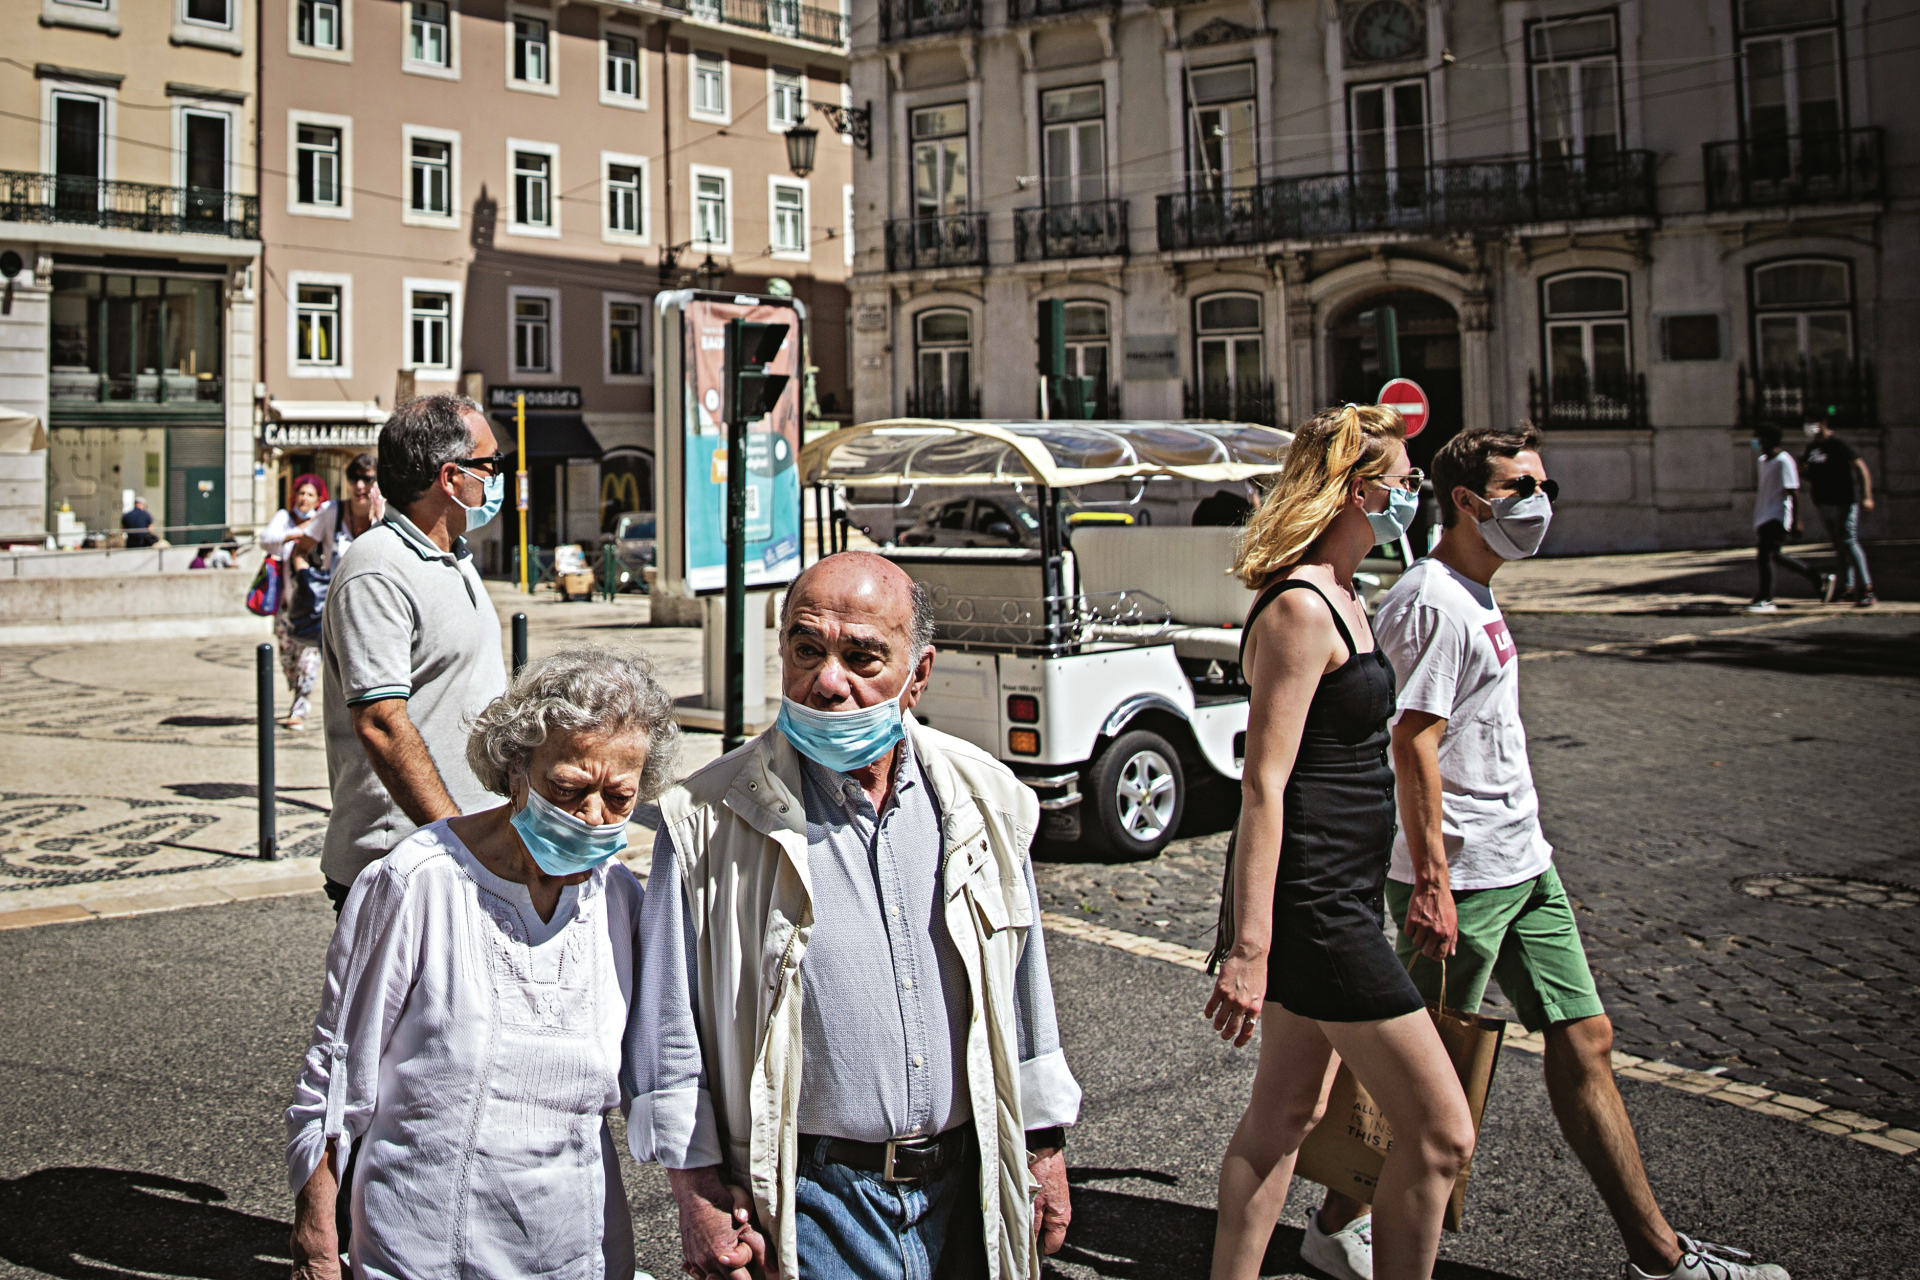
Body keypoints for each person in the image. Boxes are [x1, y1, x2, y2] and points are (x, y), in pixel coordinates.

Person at [1301, 424, 1789, 1280]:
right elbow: (1412, 743)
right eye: (1522, 487)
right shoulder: (1431, 599)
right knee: (1422, 1078)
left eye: (1544, 487)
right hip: (1463, 874)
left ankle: (1660, 1260)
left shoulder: (1475, 590)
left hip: (1524, 860)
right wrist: (1434, 886)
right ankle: (1338, 1220)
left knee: (1586, 1036)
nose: (1541, 504)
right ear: (1467, 500)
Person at [627, 550, 1081, 1280]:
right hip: (811, 1205)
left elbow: (1023, 993)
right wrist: (697, 1191)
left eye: (863, 657)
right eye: (807, 650)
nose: (829, 683)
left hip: (968, 1188)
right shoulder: (703, 819)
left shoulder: (987, 798)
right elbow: (667, 1034)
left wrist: (1044, 1144)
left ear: (919, 673)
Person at [286, 645, 679, 1280]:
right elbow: (335, 1078)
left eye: (619, 798)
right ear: (516, 767)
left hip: (576, 1247)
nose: (592, 816)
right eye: (569, 788)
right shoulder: (418, 882)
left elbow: (664, 1077)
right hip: (426, 1248)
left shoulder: (620, 902)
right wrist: (316, 1239)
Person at [1205, 405, 1476, 1280]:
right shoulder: (1299, 609)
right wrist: (1249, 949)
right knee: (1440, 1133)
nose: (1415, 497)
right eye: (1406, 483)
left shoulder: (1350, 596)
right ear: (1362, 492)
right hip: (1319, 907)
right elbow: (1263, 783)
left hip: (1344, 894)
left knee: (1286, 1116)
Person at [318, 395, 509, 910]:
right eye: (491, 464)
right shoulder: (376, 569)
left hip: (472, 849)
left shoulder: (455, 557)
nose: (497, 477)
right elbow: (381, 723)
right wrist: (458, 839)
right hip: (409, 863)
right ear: (450, 478)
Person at [262, 474, 331, 730]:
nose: (305, 499)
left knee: (309, 657)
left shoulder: (326, 520)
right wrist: (298, 533)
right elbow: (266, 540)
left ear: (319, 498)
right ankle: (296, 690)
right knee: (287, 657)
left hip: (314, 605)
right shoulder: (284, 518)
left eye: (310, 494)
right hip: (285, 603)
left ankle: (300, 707)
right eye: (301, 493)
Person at [1746, 424, 1826, 614]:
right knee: (1776, 555)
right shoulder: (1762, 461)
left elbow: (1793, 492)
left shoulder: (1784, 461)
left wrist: (1796, 521)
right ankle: (1817, 578)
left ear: (1771, 440)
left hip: (1778, 516)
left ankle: (1766, 598)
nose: (1757, 442)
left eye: (1760, 438)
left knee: (1764, 555)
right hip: (1764, 516)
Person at [1802, 417, 1876, 606]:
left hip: (1843, 501)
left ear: (1823, 423)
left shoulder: (1838, 444)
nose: (1809, 426)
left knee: (1849, 541)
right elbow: (1809, 473)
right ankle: (1848, 589)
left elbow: (1861, 469)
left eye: (1812, 422)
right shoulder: (1812, 448)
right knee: (1839, 545)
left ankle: (1867, 588)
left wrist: (1867, 496)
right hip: (1823, 502)